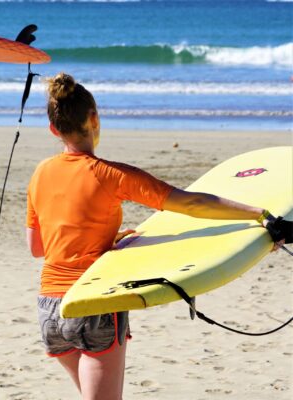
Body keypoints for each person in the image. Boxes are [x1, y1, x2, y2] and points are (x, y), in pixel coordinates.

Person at [25, 72, 292, 400]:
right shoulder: (111, 174)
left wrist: (102, 239)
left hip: (50, 311)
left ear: (53, 128)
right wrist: (259, 214)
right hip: (92, 302)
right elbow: (191, 203)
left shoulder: (40, 174)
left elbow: (37, 247)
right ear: (94, 119)